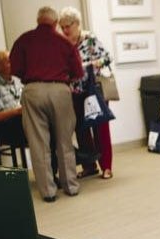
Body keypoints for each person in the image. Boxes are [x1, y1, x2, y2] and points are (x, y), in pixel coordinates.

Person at [10, 6, 83, 202]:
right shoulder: (64, 42)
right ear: (54, 22)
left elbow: (14, 68)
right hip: (60, 90)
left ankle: (48, 192)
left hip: (33, 90)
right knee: (65, 141)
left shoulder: (24, 40)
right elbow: (78, 72)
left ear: (38, 20)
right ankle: (71, 186)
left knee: (38, 142)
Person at [59, 6, 114, 180]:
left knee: (100, 129)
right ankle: (89, 166)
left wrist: (91, 65)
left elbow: (107, 58)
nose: (65, 30)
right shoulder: (63, 44)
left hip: (94, 90)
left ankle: (106, 166)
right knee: (81, 130)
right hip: (75, 93)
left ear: (77, 24)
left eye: (68, 26)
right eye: (62, 27)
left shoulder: (90, 39)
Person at [0, 51, 23, 165]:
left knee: (47, 127)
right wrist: (17, 111)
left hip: (24, 122)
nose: (14, 63)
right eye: (9, 61)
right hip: (5, 128)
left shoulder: (17, 80)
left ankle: (52, 172)